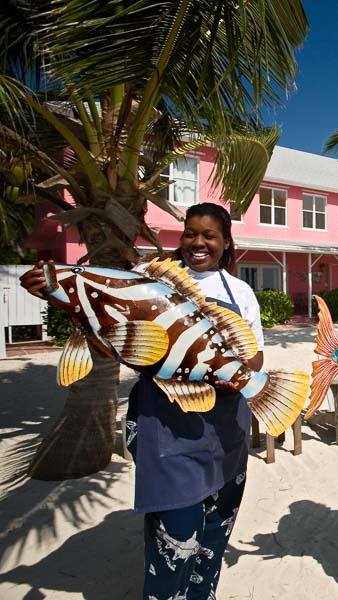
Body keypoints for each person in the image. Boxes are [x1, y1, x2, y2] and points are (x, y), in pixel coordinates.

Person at [20, 202, 263, 599]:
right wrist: (60, 298)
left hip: (226, 429)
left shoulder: (240, 293)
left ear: (226, 242)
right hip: (166, 425)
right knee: (175, 538)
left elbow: (255, 358)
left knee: (215, 533)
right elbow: (112, 339)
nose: (197, 243)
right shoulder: (144, 280)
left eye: (209, 236)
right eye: (190, 233)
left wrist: (218, 369)